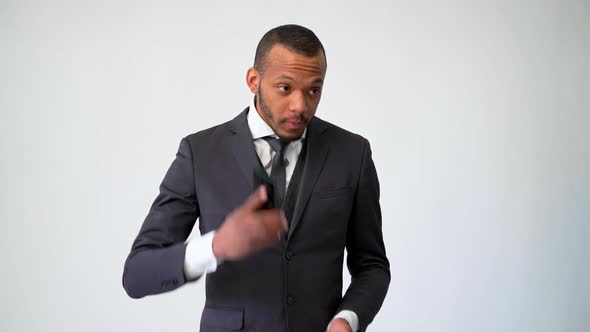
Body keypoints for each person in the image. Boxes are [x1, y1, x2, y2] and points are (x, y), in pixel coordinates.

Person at [122, 24, 390, 332]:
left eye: (313, 90)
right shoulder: (200, 153)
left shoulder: (352, 153)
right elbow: (137, 274)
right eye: (285, 88)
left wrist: (348, 319)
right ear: (254, 80)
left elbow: (372, 266)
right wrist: (216, 246)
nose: (300, 105)